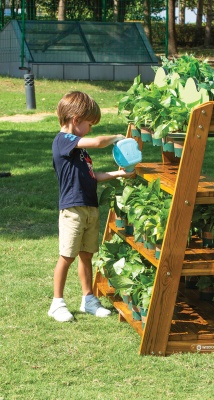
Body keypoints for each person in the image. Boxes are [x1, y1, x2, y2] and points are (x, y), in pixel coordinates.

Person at [48, 91, 136, 322]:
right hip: (72, 210)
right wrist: (118, 137)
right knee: (67, 256)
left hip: (89, 207)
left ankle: (88, 299)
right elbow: (98, 142)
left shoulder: (80, 150)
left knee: (87, 255)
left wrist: (118, 173)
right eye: (89, 124)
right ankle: (57, 303)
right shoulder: (63, 141)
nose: (91, 129)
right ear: (76, 119)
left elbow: (91, 176)